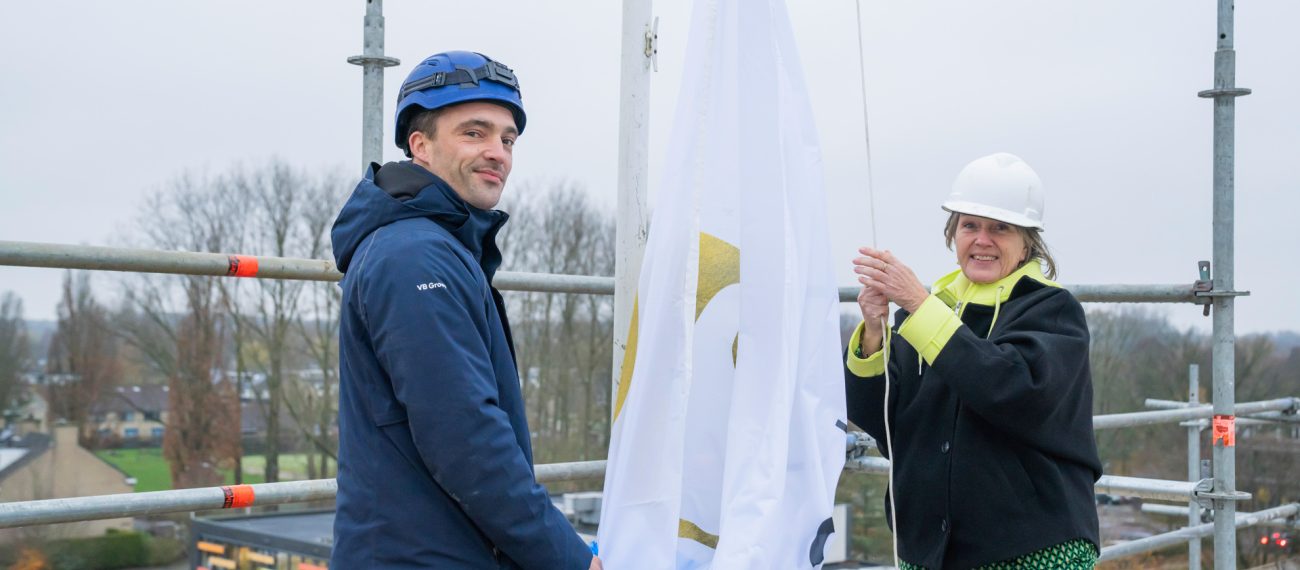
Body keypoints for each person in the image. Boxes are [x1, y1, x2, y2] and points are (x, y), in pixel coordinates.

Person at [330, 51, 600, 569]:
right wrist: (570, 559)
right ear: (420, 145)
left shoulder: (436, 248)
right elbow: (466, 437)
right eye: (474, 133)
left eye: (507, 139)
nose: (497, 152)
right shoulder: (414, 255)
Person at [845, 153, 1102, 569]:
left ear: (1027, 243)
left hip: (1033, 550)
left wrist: (919, 305)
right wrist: (874, 334)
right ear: (954, 234)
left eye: (1000, 228)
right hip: (927, 551)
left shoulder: (1052, 311)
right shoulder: (927, 313)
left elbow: (1009, 389)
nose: (983, 240)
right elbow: (886, 423)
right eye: (970, 226)